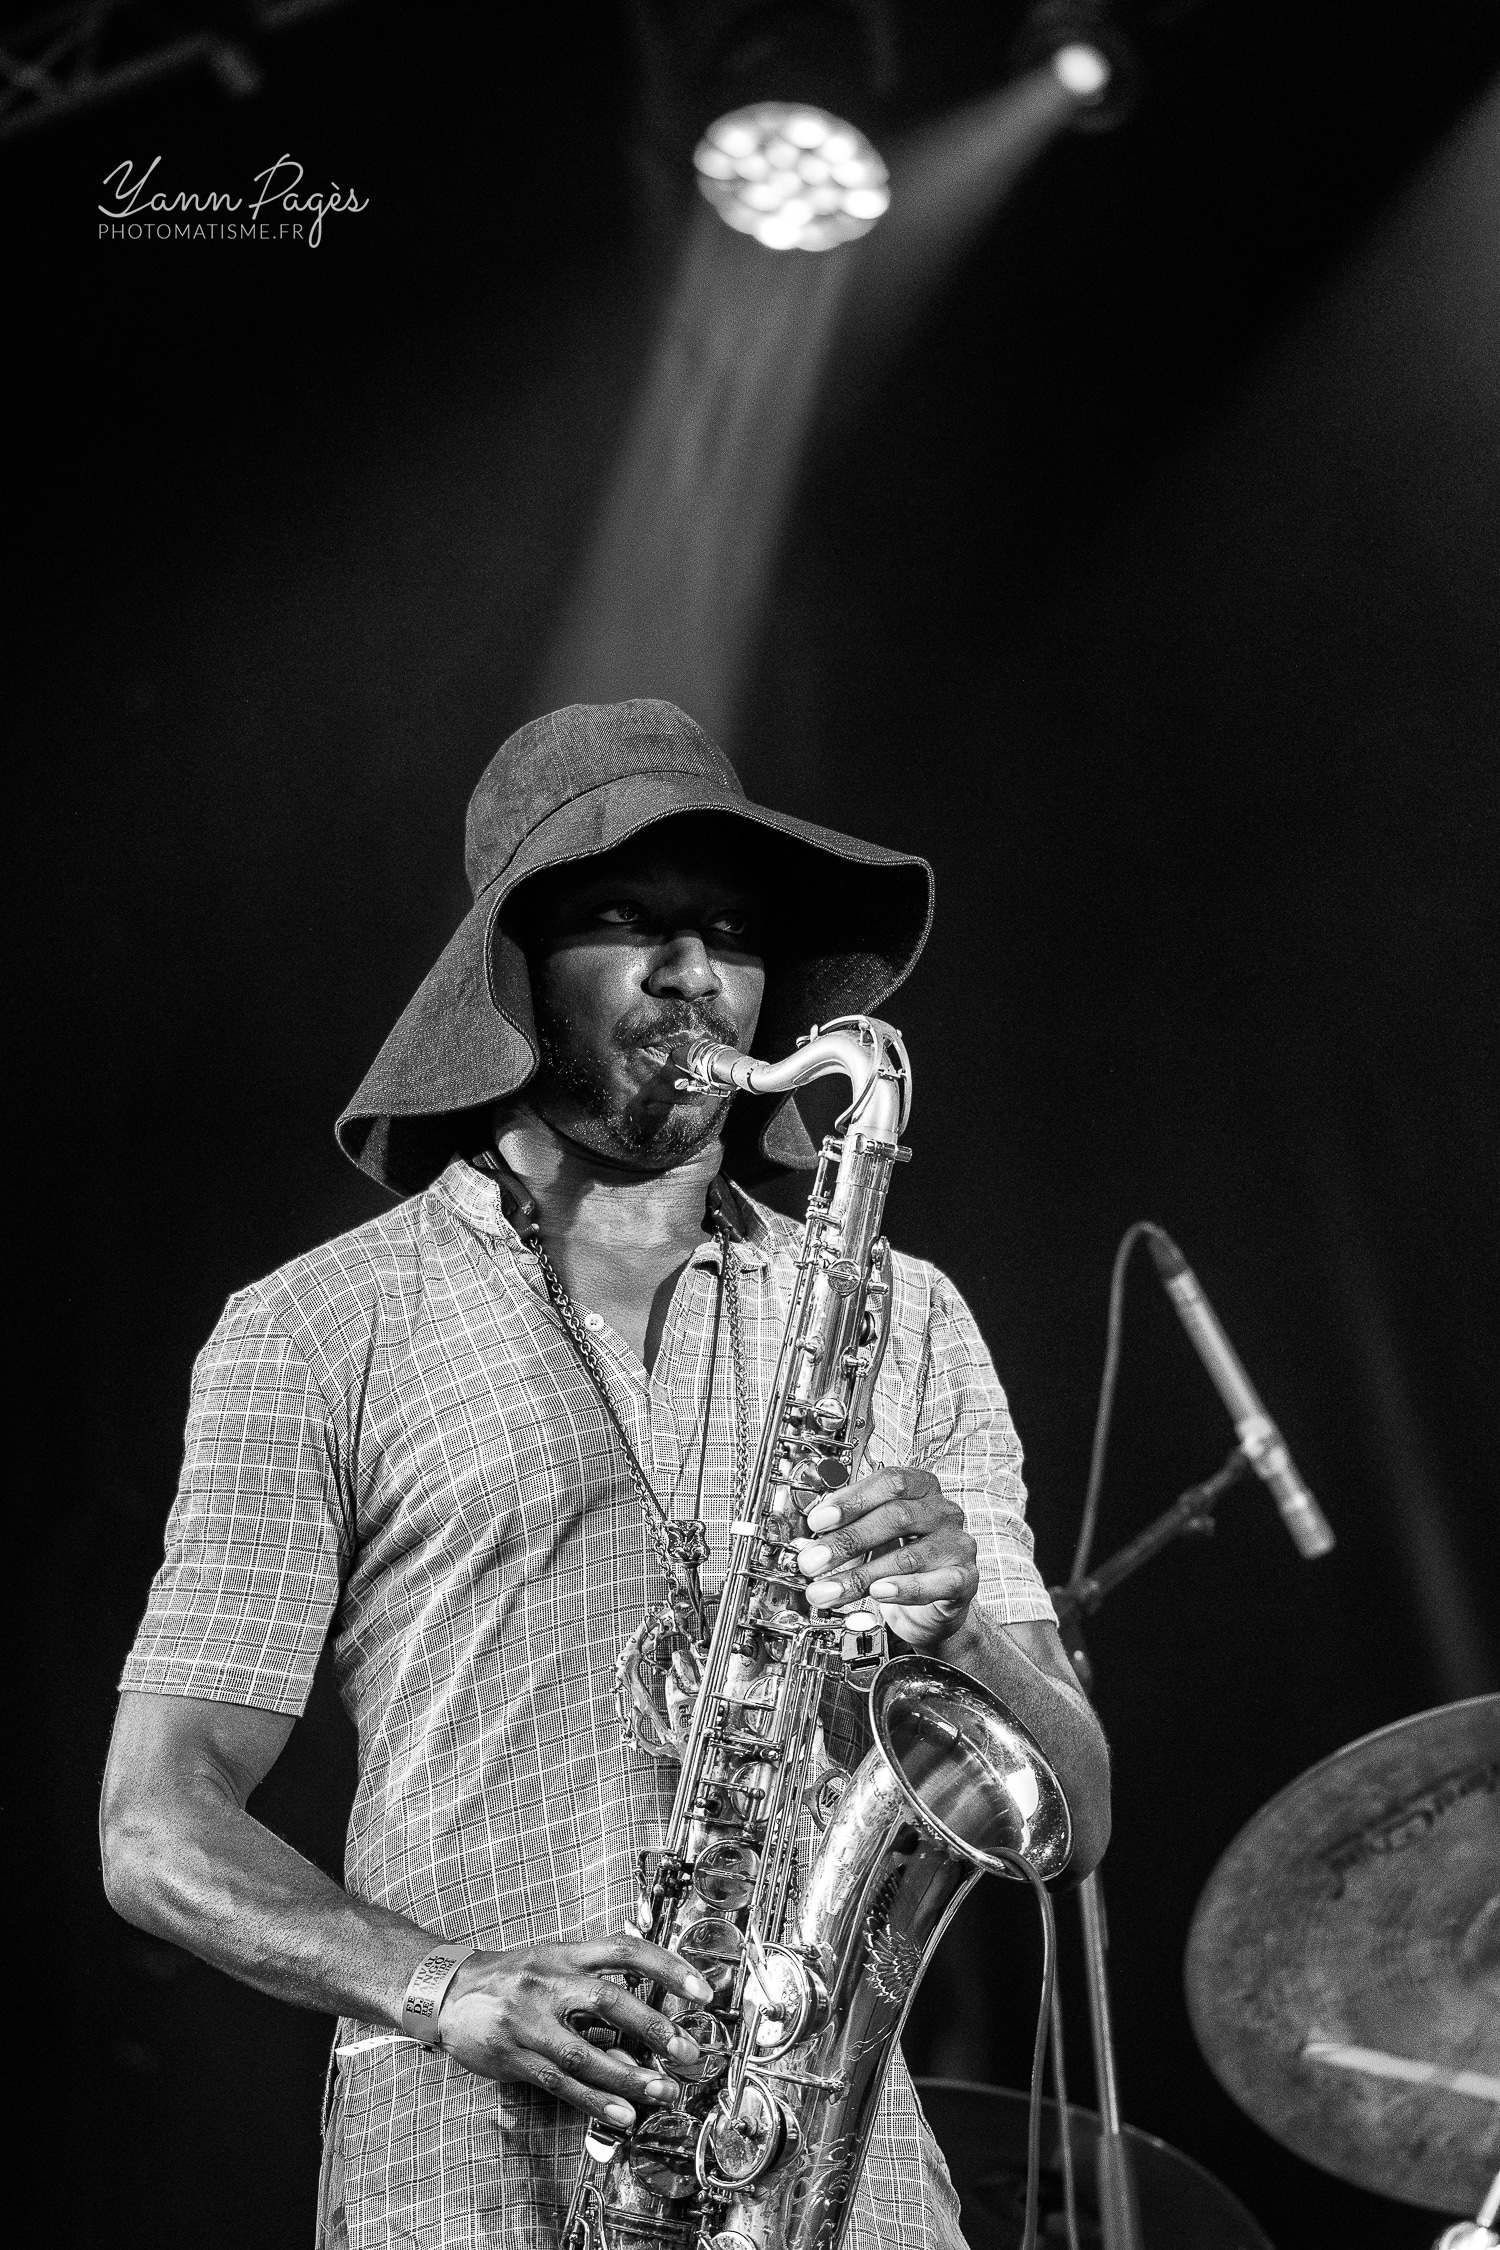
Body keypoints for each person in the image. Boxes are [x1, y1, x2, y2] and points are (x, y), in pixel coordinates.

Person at [102, 698, 1110, 2250]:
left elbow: (1074, 1806)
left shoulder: (906, 1313)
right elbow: (157, 1825)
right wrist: (442, 1982)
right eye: (627, 919)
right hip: (465, 2168)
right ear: (509, 976)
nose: (693, 972)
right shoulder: (314, 1325)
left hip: (833, 2175)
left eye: (730, 931)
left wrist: (963, 1625)